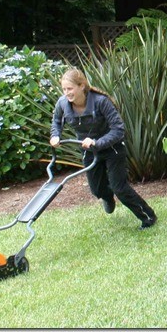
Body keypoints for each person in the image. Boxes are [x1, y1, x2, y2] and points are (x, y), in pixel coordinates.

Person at [50, 68, 157, 230]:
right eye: (64, 89)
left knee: (119, 188)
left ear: (81, 86)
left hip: (112, 149)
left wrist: (96, 142)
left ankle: (148, 217)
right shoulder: (62, 103)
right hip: (88, 151)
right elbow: (57, 121)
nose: (66, 93)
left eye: (70, 89)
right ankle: (107, 198)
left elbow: (118, 129)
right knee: (97, 189)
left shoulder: (100, 101)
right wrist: (55, 135)